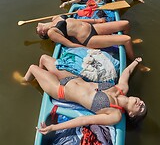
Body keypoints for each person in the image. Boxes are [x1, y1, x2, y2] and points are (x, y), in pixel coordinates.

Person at [14, 55, 147, 134]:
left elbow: (84, 120)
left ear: (131, 114)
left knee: (33, 68)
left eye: (140, 108)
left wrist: (53, 127)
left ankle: (25, 81)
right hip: (71, 78)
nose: (141, 103)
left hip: (60, 90)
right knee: (43, 58)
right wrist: (136, 62)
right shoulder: (122, 88)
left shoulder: (115, 115)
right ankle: (40, 80)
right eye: (143, 103)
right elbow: (126, 73)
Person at [36, 16, 150, 71]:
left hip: (93, 27)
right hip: (88, 39)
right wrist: (88, 49)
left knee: (126, 24)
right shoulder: (51, 32)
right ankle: (136, 63)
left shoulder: (55, 19)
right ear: (42, 32)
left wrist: (96, 20)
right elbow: (69, 44)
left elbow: (80, 21)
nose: (37, 26)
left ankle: (129, 46)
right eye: (37, 28)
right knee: (126, 39)